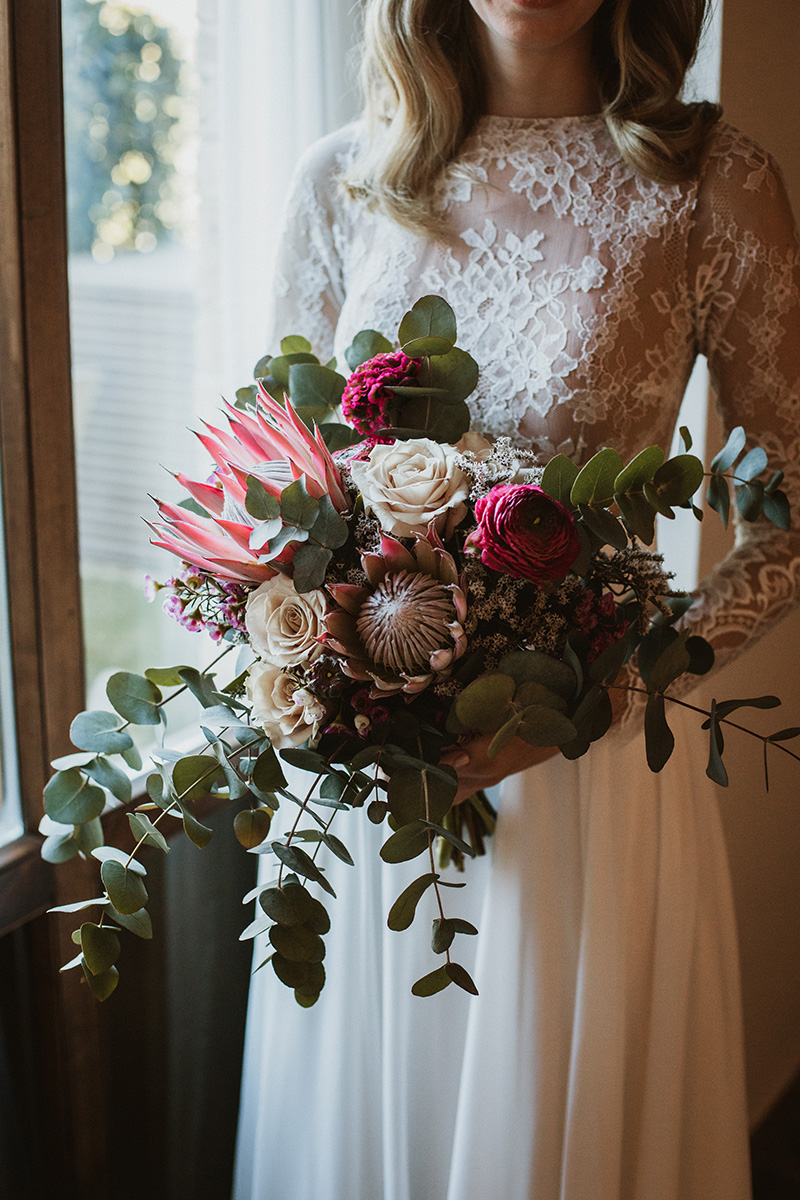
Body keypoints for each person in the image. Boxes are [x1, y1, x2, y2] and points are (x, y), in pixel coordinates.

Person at [234, 1, 800, 1197]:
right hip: (375, 781)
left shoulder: (712, 183)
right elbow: (275, 497)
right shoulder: (338, 177)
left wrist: (607, 693)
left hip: (584, 773)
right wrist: (306, 668)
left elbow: (789, 519)